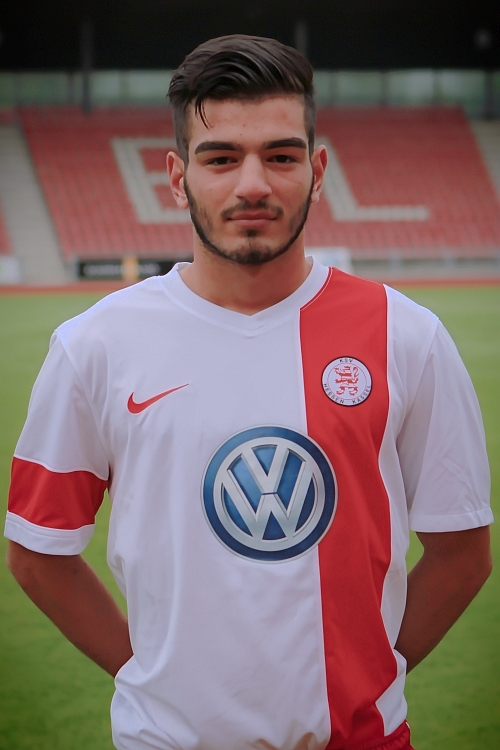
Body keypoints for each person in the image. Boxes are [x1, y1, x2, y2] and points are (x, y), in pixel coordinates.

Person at [5, 35, 493, 750]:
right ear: (178, 178)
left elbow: (463, 553)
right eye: (221, 158)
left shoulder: (406, 335)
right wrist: (147, 676)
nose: (254, 185)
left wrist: (369, 678)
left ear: (317, 172)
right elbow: (38, 551)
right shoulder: (94, 345)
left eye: (282, 156)